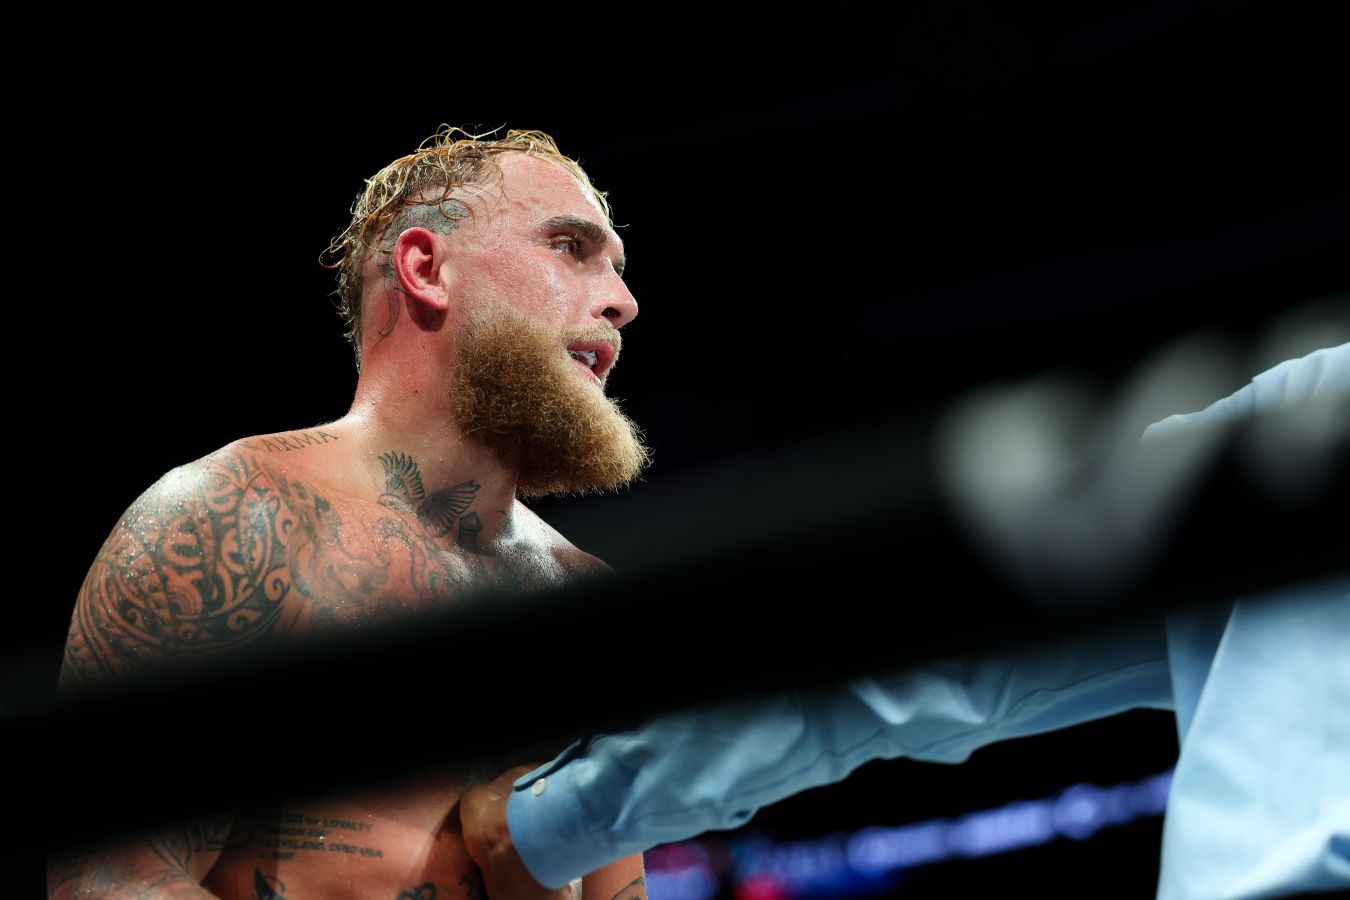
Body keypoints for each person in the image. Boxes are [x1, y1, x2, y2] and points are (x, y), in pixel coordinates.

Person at [461, 342, 1350, 900]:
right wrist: (558, 823)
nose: (619, 302)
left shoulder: (1315, 421)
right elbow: (951, 647)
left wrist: (555, 823)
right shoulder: (1310, 429)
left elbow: (941, 655)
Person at [48, 127, 651, 900]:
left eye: (617, 267)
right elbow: (108, 881)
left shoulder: (587, 602)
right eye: (570, 247)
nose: (623, 301)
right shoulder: (236, 517)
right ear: (426, 269)